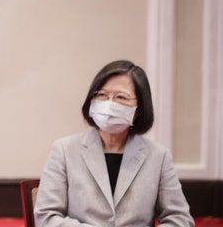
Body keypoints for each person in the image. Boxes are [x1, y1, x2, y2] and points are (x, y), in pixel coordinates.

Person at [33, 60, 194, 226]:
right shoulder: (64, 150)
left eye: (120, 97)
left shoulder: (158, 156)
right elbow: (46, 216)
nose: (109, 104)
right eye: (102, 95)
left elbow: (180, 219)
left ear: (139, 108)